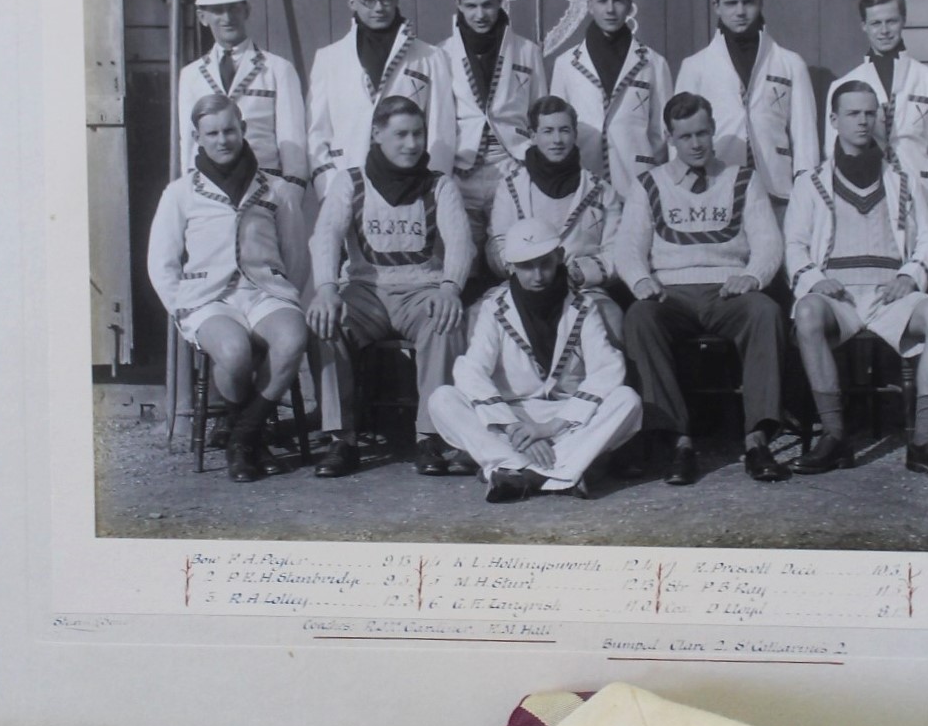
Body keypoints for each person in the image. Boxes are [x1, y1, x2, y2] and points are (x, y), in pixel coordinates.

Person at [786, 81, 928, 484]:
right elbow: (795, 246)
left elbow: (927, 241)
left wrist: (909, 275)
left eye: (870, 113)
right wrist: (816, 280)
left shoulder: (903, 178)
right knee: (806, 313)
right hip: (841, 296)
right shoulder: (811, 182)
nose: (863, 121)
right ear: (834, 120)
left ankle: (922, 444)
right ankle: (835, 437)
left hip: (890, 295)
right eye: (853, 113)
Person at [616, 92, 788, 486]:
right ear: (670, 138)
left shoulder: (742, 178)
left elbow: (768, 242)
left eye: (703, 134)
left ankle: (757, 439)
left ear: (713, 133)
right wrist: (641, 280)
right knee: (639, 318)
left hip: (727, 290)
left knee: (765, 311)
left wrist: (753, 276)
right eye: (685, 136)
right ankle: (679, 441)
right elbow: (627, 246)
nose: (696, 144)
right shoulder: (649, 184)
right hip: (669, 293)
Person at [307, 96, 474, 479]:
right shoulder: (349, 181)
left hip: (421, 290)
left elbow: (461, 241)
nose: (412, 144)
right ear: (377, 134)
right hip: (367, 291)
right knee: (325, 323)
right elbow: (326, 235)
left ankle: (430, 436)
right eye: (400, 134)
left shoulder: (438, 184)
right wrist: (327, 287)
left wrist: (450, 287)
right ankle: (341, 438)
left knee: (444, 322)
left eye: (418, 134)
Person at [148, 94, 311, 482]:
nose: (223, 140)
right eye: (212, 133)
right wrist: (182, 309)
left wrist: (285, 293)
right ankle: (251, 439)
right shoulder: (181, 193)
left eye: (229, 130)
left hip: (264, 291)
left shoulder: (276, 190)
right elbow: (161, 263)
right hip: (208, 299)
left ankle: (244, 437)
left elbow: (296, 256)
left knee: (292, 338)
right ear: (198, 138)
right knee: (235, 352)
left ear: (243, 130)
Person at [430, 219, 642, 503]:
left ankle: (512, 470)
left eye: (545, 263)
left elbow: (607, 368)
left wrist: (550, 428)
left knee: (627, 400)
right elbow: (471, 371)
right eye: (527, 267)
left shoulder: (583, 306)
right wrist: (513, 428)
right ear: (512, 267)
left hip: (566, 419)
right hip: (513, 417)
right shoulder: (495, 307)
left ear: (558, 258)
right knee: (442, 399)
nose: (538, 275)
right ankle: (561, 472)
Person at [674, 0, 819, 222]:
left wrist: (805, 191)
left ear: (761, 3)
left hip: (777, 190)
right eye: (731, 4)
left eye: (748, 2)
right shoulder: (695, 66)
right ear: (716, 6)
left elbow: (805, 136)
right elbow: (679, 136)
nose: (740, 12)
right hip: (716, 187)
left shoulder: (789, 63)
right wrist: (684, 190)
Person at [305, 0, 456, 198]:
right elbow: (317, 133)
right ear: (351, 2)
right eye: (369, 0)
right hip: (348, 185)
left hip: (411, 187)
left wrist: (433, 193)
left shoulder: (429, 57)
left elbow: (441, 131)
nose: (379, 8)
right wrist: (330, 188)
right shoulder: (328, 59)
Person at [440, 0, 547, 260]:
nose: (480, 14)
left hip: (512, 167)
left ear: (500, 1)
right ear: (458, 5)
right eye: (471, 6)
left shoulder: (527, 51)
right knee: (463, 257)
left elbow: (540, 110)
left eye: (488, 4)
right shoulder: (442, 54)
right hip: (463, 171)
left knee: (512, 254)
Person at [486, 95, 622, 329]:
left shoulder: (601, 191)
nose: (557, 140)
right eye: (548, 131)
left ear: (575, 134)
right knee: (478, 317)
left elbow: (617, 251)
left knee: (612, 321)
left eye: (564, 130)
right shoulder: (511, 188)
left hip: (582, 290)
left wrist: (581, 272)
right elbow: (498, 242)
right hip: (524, 288)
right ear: (532, 135)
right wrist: (525, 272)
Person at [825, 0, 928, 209]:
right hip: (863, 196)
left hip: (920, 196)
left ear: (903, 21)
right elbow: (833, 148)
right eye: (876, 23)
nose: (884, 30)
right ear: (864, 27)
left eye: (891, 21)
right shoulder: (842, 86)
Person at [548, 0, 671, 202]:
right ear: (589, 5)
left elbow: (662, 134)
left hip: (637, 182)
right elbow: (559, 128)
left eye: (618, 1)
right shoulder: (565, 64)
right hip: (583, 181)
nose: (610, 9)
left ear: (629, 5)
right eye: (602, 1)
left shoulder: (654, 63)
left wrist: (657, 181)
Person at [176, 0, 308, 187]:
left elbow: (292, 139)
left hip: (265, 185)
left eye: (234, 9)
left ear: (246, 11)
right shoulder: (191, 75)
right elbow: (187, 141)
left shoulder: (278, 69)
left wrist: (292, 189)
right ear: (202, 17)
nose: (227, 18)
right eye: (218, 11)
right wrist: (188, 188)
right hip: (209, 187)